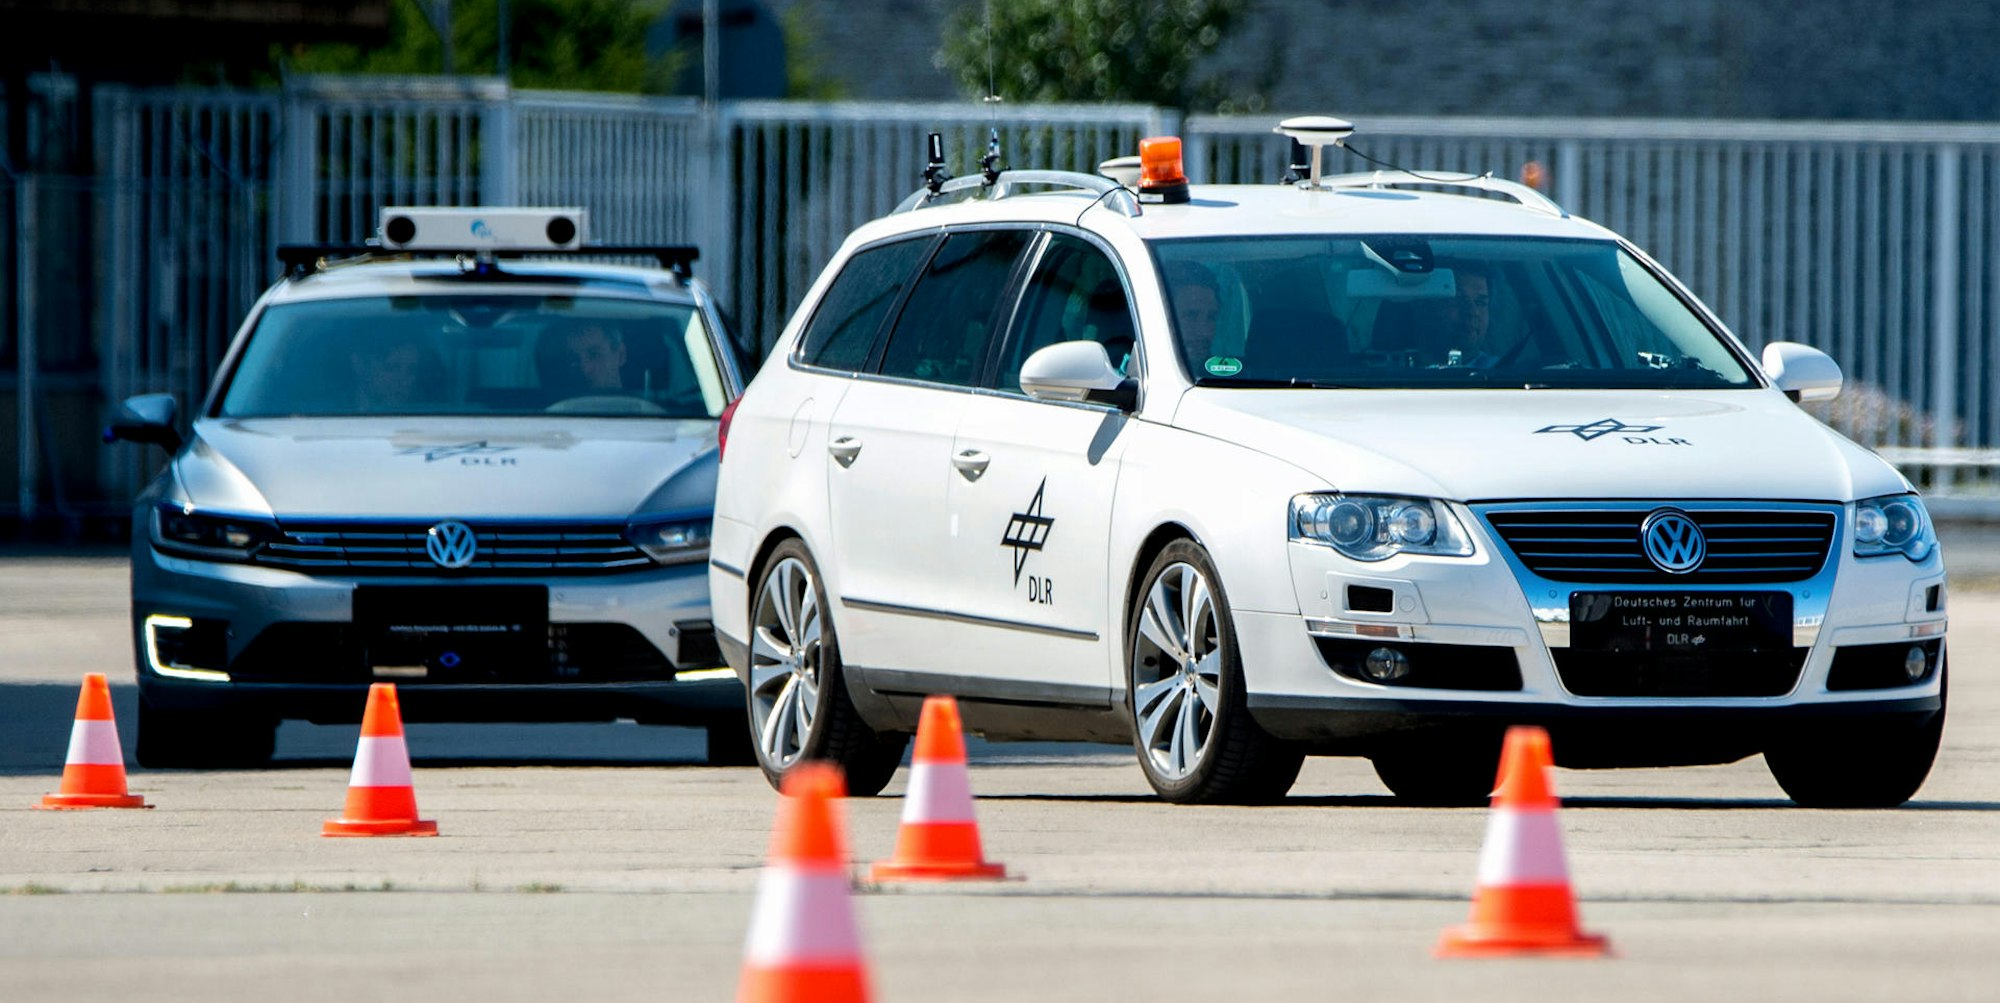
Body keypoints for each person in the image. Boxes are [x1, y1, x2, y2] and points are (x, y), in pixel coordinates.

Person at [1414, 264, 1496, 367]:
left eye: (1481, 303)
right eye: (1458, 299)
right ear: (1425, 305)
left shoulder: (1506, 375)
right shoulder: (1392, 373)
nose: (1472, 311)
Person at [1162, 260, 1224, 370]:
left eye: (1211, 317)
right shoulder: (1129, 377)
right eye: (1190, 316)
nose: (1204, 332)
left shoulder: (1232, 379)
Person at [539, 321, 627, 394]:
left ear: (620, 355)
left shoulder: (639, 410)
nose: (585, 369)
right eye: (574, 359)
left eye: (595, 355)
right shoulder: (550, 411)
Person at [347, 337, 427, 412]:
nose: (404, 381)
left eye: (411, 370)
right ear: (361, 366)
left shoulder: (430, 413)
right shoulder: (337, 414)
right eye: (392, 368)